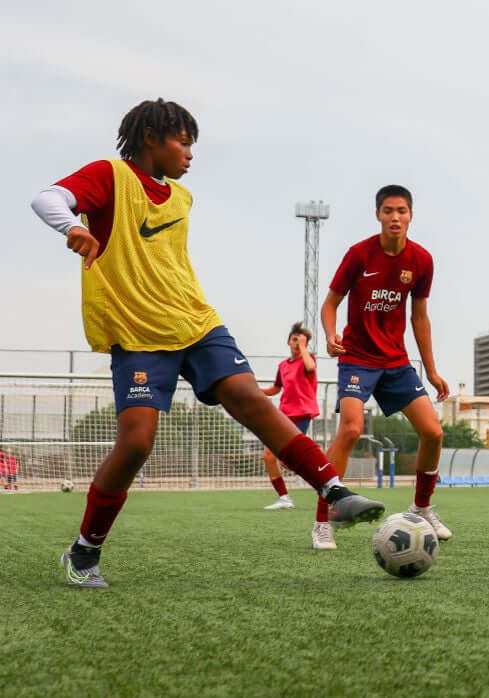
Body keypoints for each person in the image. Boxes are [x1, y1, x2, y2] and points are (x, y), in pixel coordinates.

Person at [31, 98, 384, 588]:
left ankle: (334, 489)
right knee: (135, 444)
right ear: (151, 138)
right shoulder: (111, 175)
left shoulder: (181, 197)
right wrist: (72, 227)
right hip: (137, 335)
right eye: (183, 142)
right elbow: (47, 198)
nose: (190, 154)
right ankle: (84, 553)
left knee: (249, 399)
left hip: (197, 324)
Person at [317, 184, 451, 551]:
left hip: (396, 361)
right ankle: (322, 521)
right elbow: (330, 303)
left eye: (402, 211)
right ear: (378, 214)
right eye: (388, 211)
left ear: (410, 215)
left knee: (433, 432)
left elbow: (419, 317)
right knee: (351, 429)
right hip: (357, 357)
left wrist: (432, 369)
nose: (395, 217)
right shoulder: (359, 255)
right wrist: (330, 335)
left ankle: (421, 508)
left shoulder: (421, 261)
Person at [260, 322, 320, 510]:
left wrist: (303, 347)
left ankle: (326, 483)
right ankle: (284, 498)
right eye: (294, 340)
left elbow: (310, 367)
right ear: (288, 342)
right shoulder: (283, 366)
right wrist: (256, 391)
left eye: (301, 341)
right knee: (269, 455)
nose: (297, 343)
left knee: (291, 459)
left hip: (302, 414)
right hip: (284, 414)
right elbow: (276, 388)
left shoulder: (308, 359)